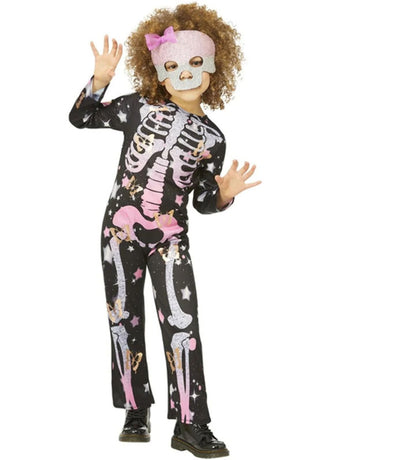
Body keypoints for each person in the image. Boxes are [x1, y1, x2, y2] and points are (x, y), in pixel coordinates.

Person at [68, 3, 261, 458]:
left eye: (195, 63)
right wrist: (99, 80)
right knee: (123, 317)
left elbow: (202, 202)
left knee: (183, 324)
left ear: (214, 68)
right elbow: (82, 118)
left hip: (170, 237)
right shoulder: (138, 106)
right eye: (173, 65)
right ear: (158, 70)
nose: (185, 74)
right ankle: (136, 410)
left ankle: (192, 423)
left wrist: (223, 194)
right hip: (119, 231)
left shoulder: (212, 139)